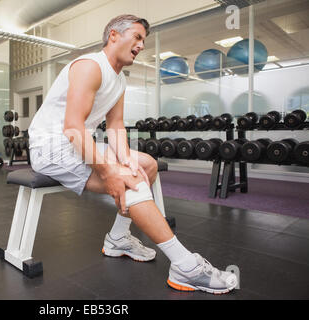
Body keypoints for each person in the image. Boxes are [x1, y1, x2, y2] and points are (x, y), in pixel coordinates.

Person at [28, 14, 238, 294]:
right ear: (114, 35)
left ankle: (117, 239)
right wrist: (109, 171)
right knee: (130, 179)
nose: (141, 45)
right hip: (51, 147)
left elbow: (115, 125)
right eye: (137, 37)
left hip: (76, 142)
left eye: (143, 40)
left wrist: (124, 158)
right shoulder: (90, 66)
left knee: (146, 165)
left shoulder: (119, 80)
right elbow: (73, 127)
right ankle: (185, 266)